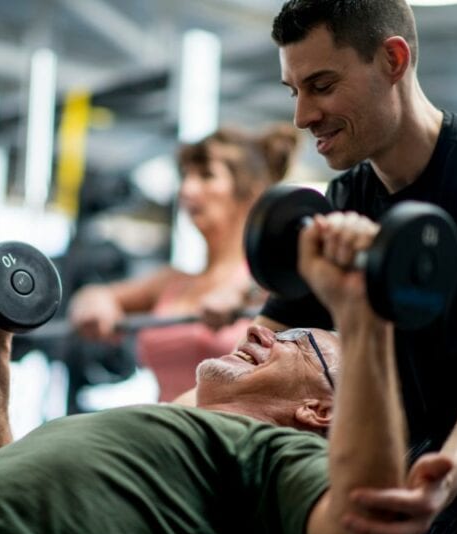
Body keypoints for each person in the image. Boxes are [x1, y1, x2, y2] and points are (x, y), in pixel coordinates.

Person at [0, 215, 443, 534]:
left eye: (296, 341)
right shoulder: (162, 428)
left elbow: (357, 527)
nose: (263, 334)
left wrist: (361, 315)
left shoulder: (269, 458)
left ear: (318, 411)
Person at [247, 0, 457, 534]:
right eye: (294, 91)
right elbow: (256, 352)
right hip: (419, 494)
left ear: (393, 60)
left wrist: (447, 469)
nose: (303, 116)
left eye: (322, 85)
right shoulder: (346, 202)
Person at [69, 125, 299, 402]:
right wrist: (94, 301)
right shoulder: (172, 282)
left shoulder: (269, 279)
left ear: (250, 189)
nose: (187, 190)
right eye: (186, 176)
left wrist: (243, 294)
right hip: (164, 435)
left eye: (206, 176)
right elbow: (96, 294)